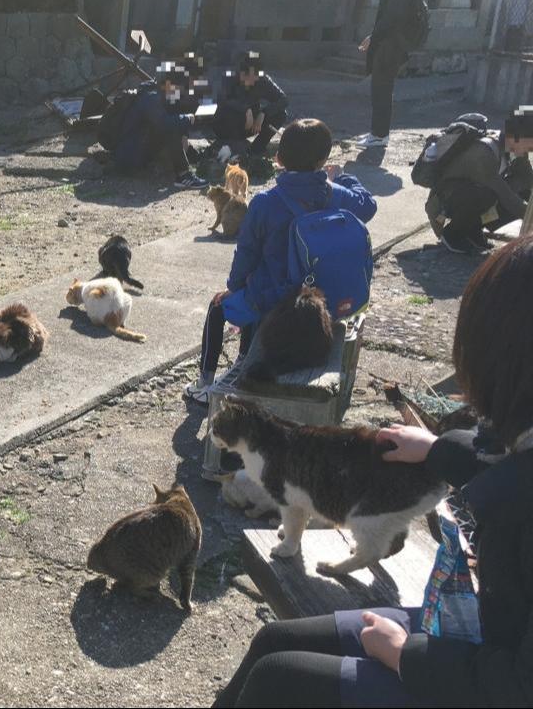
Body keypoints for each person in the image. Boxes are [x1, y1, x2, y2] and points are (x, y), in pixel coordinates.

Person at [214, 234, 533, 707]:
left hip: (482, 676)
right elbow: (507, 464)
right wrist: (436, 449)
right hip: (479, 632)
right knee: (273, 641)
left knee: (278, 678)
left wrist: (406, 654)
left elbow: (517, 687)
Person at [183, 119, 376, 408]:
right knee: (253, 293)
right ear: (324, 159)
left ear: (278, 158)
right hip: (324, 301)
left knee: (220, 305)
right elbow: (368, 205)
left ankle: (205, 384)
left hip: (276, 299)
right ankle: (243, 358)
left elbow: (246, 256)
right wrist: (343, 177)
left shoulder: (265, 203)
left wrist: (234, 288)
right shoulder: (334, 194)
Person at [427, 111, 533, 254]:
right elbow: (506, 197)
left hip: (471, 195)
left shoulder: (516, 152)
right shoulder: (484, 153)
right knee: (488, 195)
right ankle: (452, 233)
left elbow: (528, 182)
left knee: (521, 187)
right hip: (446, 201)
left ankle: (472, 229)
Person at [114, 62, 209, 190]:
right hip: (131, 156)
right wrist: (186, 119)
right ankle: (183, 176)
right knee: (171, 125)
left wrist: (184, 134)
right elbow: (164, 123)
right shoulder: (151, 98)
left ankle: (180, 169)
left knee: (173, 122)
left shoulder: (157, 95)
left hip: (136, 149)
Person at [353, 0, 422, 149]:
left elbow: (391, 18)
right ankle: (377, 132)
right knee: (380, 89)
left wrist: (373, 37)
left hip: (390, 46)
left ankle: (379, 135)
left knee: (381, 89)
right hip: (389, 45)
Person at [214, 51, 290, 158]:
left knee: (281, 114)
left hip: (251, 125)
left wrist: (264, 113)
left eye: (257, 76)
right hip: (229, 126)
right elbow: (222, 100)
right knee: (227, 112)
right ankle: (235, 148)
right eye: (252, 76)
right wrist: (246, 109)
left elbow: (284, 100)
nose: (255, 79)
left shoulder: (262, 80)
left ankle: (257, 148)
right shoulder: (228, 78)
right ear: (242, 73)